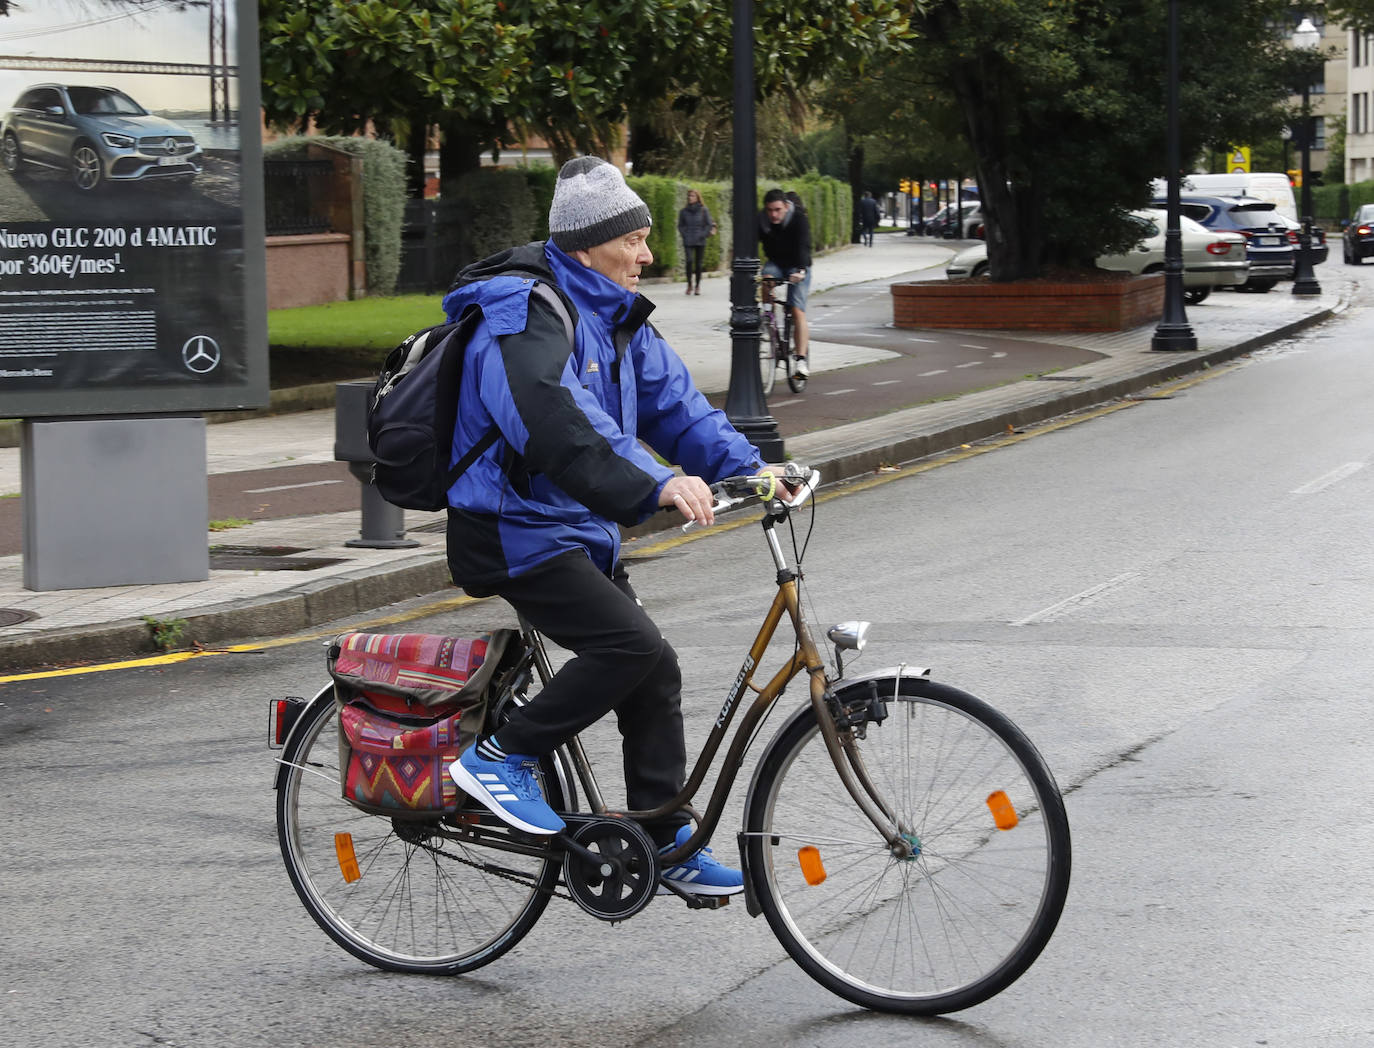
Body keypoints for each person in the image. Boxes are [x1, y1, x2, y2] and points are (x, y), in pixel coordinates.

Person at [439, 156, 794, 897]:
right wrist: (656, 483)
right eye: (633, 239)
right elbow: (558, 423)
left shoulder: (619, 319)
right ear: (587, 245)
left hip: (572, 529)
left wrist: (758, 468)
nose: (648, 254)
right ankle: (499, 759)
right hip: (509, 530)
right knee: (626, 643)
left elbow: (681, 411)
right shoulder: (522, 314)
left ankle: (664, 842)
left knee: (652, 666)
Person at [758, 187, 812, 377]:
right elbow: (750, 243)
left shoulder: (798, 218)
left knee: (797, 309)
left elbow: (804, 246)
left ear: (786, 207)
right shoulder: (762, 220)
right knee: (766, 279)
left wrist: (802, 271)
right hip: (776, 264)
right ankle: (768, 319)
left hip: (798, 265)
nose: (773, 214)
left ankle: (800, 360)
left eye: (777, 210)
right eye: (770, 210)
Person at [676, 188, 716, 296]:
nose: (690, 198)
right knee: (689, 261)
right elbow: (680, 226)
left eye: (693, 196)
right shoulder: (683, 212)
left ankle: (697, 285)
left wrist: (702, 235)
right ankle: (689, 285)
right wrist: (685, 234)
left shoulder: (704, 210)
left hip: (700, 240)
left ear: (698, 198)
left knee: (698, 264)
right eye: (689, 196)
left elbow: (708, 224)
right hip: (688, 240)